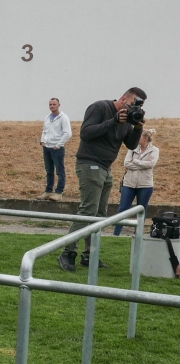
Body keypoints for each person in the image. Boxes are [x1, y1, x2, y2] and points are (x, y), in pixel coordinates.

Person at [58, 87, 147, 272]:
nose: (133, 109)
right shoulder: (100, 107)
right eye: (132, 104)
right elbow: (86, 132)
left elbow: (131, 144)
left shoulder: (127, 119)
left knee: (100, 214)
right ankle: (68, 253)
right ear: (123, 99)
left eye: (138, 107)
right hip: (89, 163)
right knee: (88, 211)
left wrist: (138, 127)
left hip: (106, 168)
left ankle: (90, 255)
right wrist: (113, 121)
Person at [113, 128, 158, 236]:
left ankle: (138, 234)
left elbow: (151, 164)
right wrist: (143, 164)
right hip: (129, 183)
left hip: (145, 185)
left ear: (146, 138)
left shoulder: (155, 150)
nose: (137, 139)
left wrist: (136, 162)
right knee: (123, 208)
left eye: (140, 137)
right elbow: (127, 163)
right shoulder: (132, 148)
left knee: (141, 209)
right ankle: (116, 233)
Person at [38, 98, 72, 201]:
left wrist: (58, 145)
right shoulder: (47, 118)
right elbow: (45, 130)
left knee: (60, 171)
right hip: (47, 147)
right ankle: (48, 191)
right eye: (50, 104)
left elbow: (68, 133)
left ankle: (58, 192)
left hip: (57, 148)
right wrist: (42, 140)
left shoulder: (63, 118)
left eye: (54, 104)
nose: (52, 106)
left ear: (58, 105)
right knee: (49, 171)